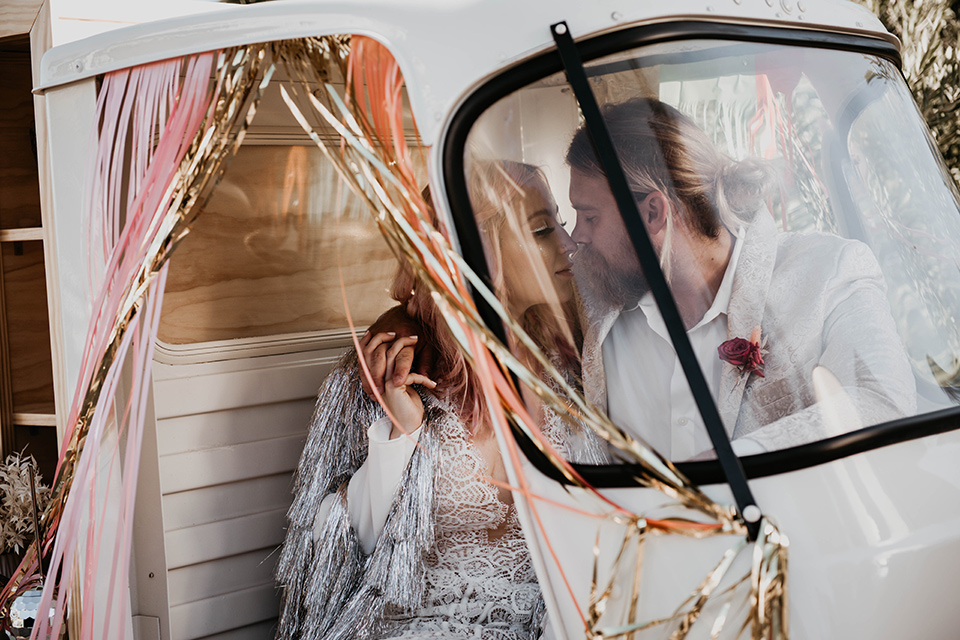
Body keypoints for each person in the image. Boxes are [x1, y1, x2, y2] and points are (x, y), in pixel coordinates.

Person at [275, 161, 607, 640]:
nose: (568, 243)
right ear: (478, 252)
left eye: (560, 221)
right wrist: (400, 431)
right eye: (540, 229)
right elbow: (343, 554)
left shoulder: (567, 364)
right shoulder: (389, 369)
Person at [565, 97, 917, 459]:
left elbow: (883, 403)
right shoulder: (597, 294)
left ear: (654, 212)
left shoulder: (830, 272)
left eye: (590, 217)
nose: (577, 235)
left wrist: (726, 464)